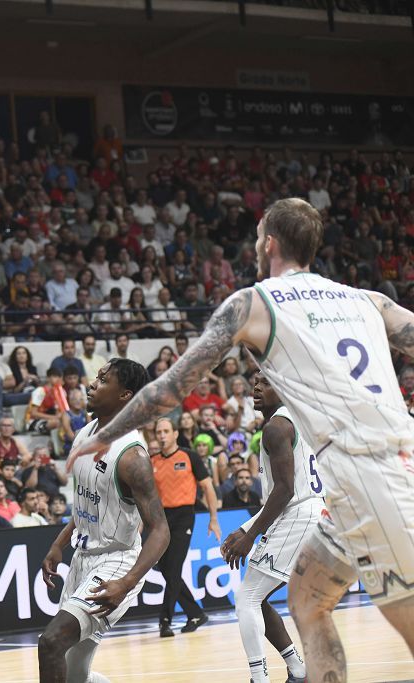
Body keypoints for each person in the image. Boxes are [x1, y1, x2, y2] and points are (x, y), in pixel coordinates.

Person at [68, 198, 414, 680]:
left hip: (378, 480)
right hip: (352, 488)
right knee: (307, 602)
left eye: (257, 238)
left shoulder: (254, 303)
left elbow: (170, 389)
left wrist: (107, 431)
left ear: (268, 242)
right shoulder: (367, 299)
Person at [38, 359, 170, 683]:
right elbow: (86, 505)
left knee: (51, 642)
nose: (92, 384)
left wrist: (126, 584)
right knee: (74, 673)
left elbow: (160, 531)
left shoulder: (132, 457)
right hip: (83, 557)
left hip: (116, 562)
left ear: (125, 395)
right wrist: (58, 545)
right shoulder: (85, 433)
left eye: (103, 379)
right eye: (96, 376)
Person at [221, 372, 322, 683]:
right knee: (257, 598)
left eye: (265, 383)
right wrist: (247, 527)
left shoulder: (276, 427)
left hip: (299, 516)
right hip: (310, 513)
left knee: (246, 598)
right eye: (255, 382)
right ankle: (298, 670)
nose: (256, 388)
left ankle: (259, 677)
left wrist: (251, 536)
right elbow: (289, 490)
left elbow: (285, 491)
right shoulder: (296, 420)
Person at [147, 417, 221, 637]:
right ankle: (195, 613)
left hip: (183, 516)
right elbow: (147, 496)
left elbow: (207, 486)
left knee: (174, 567)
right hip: (160, 519)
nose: (162, 436)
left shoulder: (190, 456)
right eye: (158, 432)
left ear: (175, 433)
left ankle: (165, 620)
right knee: (165, 567)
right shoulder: (152, 461)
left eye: (166, 431)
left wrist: (213, 518)